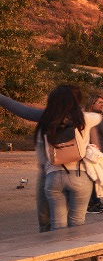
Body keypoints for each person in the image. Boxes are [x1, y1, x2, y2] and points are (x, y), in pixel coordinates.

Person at [38, 85, 103, 229]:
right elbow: (98, 116)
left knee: (57, 224)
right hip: (79, 174)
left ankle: (59, 250)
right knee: (77, 223)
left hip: (54, 175)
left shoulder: (46, 120)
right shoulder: (84, 119)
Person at [1, 91, 53, 231]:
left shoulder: (47, 116)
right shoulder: (79, 119)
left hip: (49, 171)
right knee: (67, 221)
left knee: (46, 219)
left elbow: (22, 110)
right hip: (70, 172)